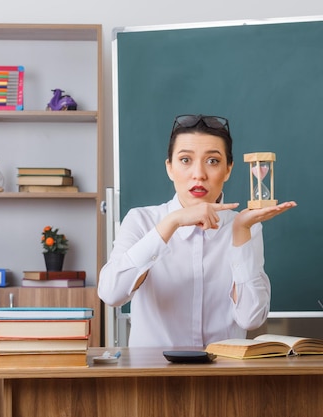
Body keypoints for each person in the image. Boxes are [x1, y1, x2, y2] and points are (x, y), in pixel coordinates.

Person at [98, 114, 297, 347]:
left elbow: (251, 318)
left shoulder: (246, 226)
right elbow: (112, 294)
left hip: (223, 375)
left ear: (228, 169)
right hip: (152, 374)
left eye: (212, 161)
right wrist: (172, 223)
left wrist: (241, 231)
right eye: (185, 160)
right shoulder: (141, 220)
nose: (199, 174)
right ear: (169, 168)